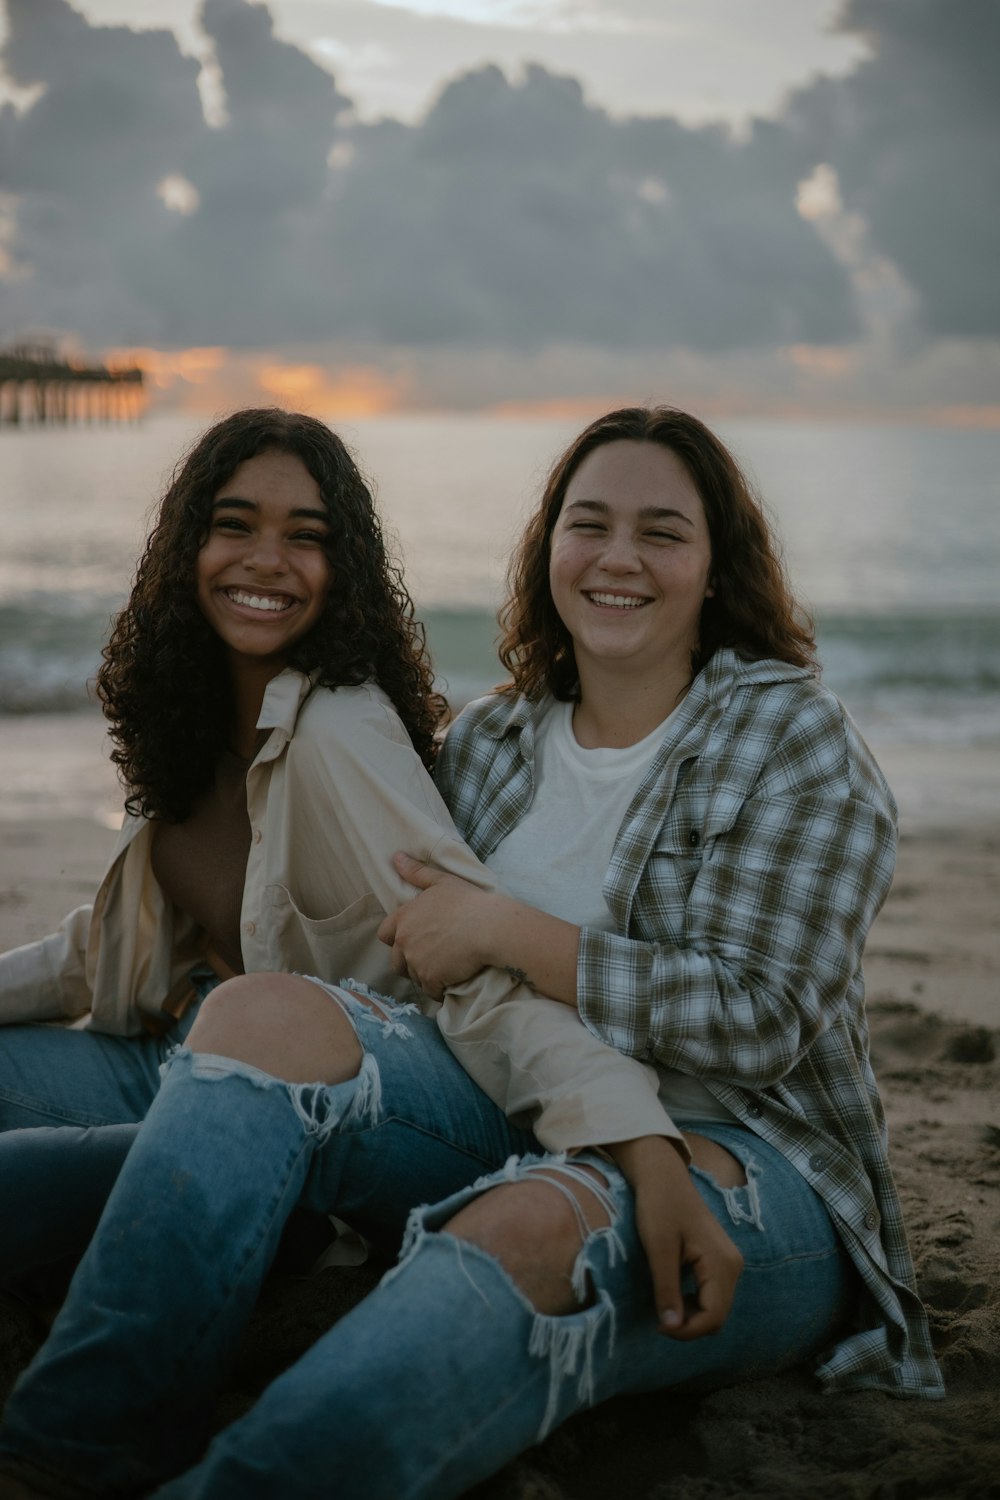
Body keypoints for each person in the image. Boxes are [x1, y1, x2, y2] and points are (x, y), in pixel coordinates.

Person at [0, 407, 942, 1500]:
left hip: (740, 1154)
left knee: (526, 1226)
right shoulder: (491, 744)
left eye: (663, 532)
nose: (618, 557)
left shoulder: (792, 740)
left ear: (718, 567)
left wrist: (512, 937)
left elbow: (760, 1015)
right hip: (514, 1106)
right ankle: (64, 1456)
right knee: (261, 1011)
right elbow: (418, 970)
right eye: (587, 524)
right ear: (547, 550)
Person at [0, 406, 699, 1292]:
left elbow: (476, 974)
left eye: (306, 536)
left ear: (343, 570)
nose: (266, 560)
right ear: (187, 547)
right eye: (234, 525)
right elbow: (104, 948)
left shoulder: (341, 729)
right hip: (178, 1052)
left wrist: (636, 1143)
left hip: (317, 1111)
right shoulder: (185, 717)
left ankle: (286, 1235)